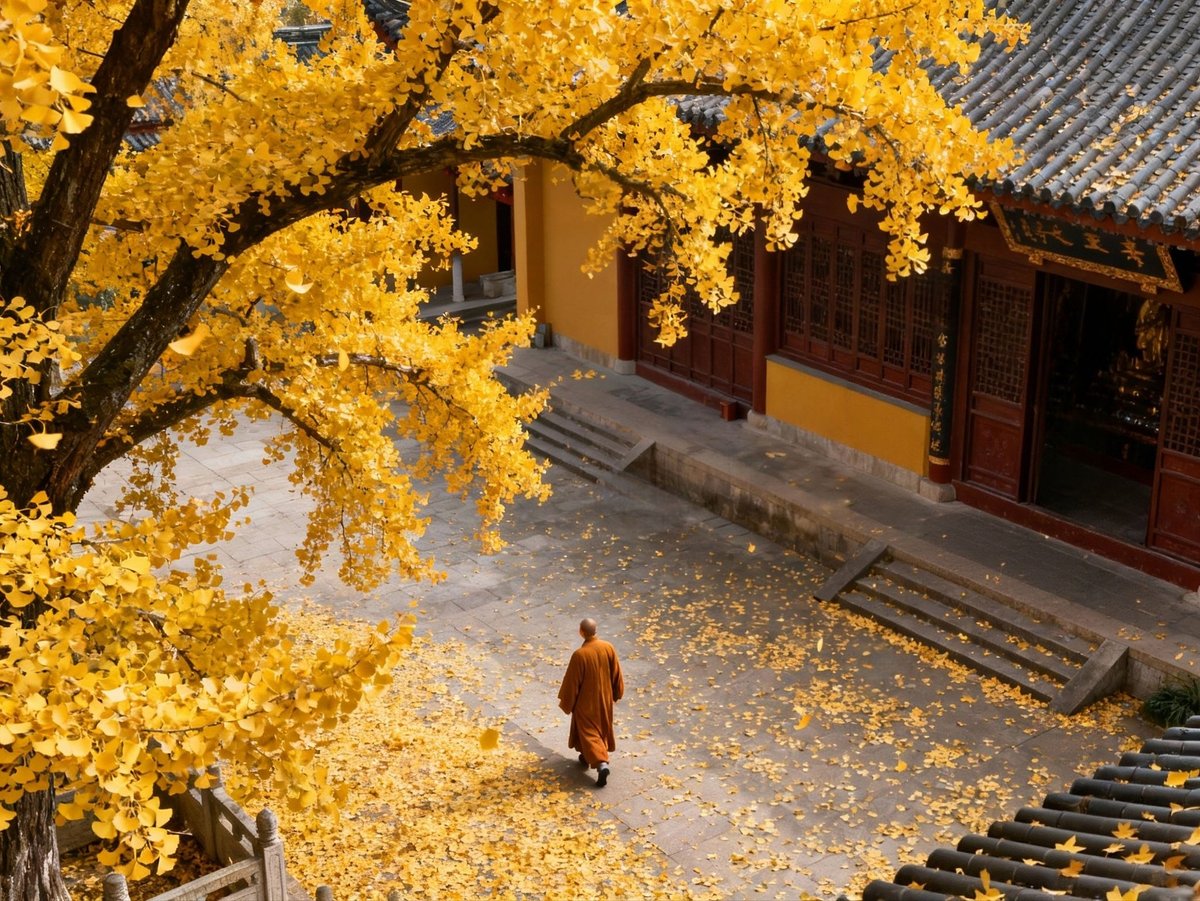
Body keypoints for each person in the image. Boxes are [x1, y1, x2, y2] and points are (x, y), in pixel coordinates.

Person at [557, 617, 624, 787]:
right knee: (600, 728)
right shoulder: (608, 647)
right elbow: (616, 672)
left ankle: (601, 763)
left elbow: (572, 681)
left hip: (586, 702)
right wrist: (616, 692)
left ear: (582, 632)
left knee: (589, 731)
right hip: (604, 697)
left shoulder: (580, 655)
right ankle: (585, 755)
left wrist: (567, 701)